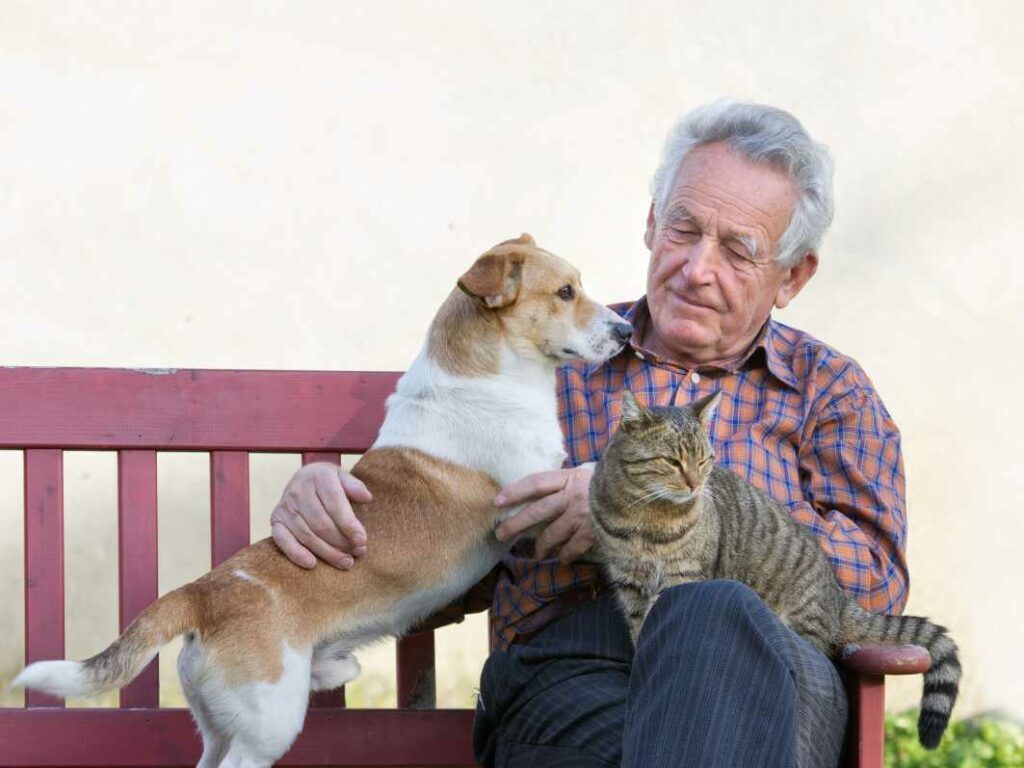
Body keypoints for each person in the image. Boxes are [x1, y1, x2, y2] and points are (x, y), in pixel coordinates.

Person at [270, 101, 908, 768]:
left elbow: (875, 585)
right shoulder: (539, 369)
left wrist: (637, 506)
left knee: (713, 614)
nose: (696, 268)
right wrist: (329, 515)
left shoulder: (827, 391)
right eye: (684, 230)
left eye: (737, 250)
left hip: (770, 673)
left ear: (793, 276)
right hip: (577, 671)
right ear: (652, 223)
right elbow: (434, 560)